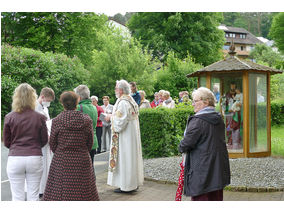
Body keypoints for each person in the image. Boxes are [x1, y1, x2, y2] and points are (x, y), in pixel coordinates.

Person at [43, 91, 99, 201]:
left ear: (62, 103)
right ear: (77, 102)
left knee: (58, 192)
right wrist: (82, 151)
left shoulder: (57, 120)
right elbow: (89, 142)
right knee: (85, 192)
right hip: (82, 159)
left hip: (61, 160)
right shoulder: (86, 120)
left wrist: (60, 152)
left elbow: (53, 143)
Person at [178, 87, 230, 201]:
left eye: (195, 101)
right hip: (217, 170)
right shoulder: (218, 118)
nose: (192, 104)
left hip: (201, 171)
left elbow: (185, 145)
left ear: (205, 102)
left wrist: (180, 144)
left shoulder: (198, 121)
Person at [3, 83, 48, 201]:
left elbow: (7, 142)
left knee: (17, 197)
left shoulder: (9, 117)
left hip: (15, 157)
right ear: (33, 98)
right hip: (34, 157)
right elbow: (44, 140)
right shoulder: (40, 117)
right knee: (33, 196)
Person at [106, 79, 144, 193]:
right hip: (130, 136)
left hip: (125, 137)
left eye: (116, 88)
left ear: (121, 90)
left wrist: (110, 118)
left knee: (126, 159)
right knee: (130, 159)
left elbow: (120, 122)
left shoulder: (123, 102)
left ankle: (127, 186)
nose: (115, 90)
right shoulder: (130, 100)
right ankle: (132, 183)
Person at [36, 87, 55, 198]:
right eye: (48, 100)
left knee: (47, 165)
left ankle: (45, 188)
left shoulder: (45, 108)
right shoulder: (34, 107)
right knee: (40, 166)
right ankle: (39, 190)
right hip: (39, 142)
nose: (49, 103)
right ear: (43, 97)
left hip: (47, 140)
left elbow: (46, 122)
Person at [74, 85, 98, 164]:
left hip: (83, 143)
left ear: (79, 97)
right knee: (91, 168)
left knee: (82, 170)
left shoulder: (78, 108)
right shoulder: (94, 107)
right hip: (93, 141)